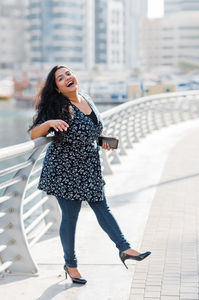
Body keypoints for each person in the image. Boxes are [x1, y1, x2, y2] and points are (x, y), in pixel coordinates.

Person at [29, 65, 151, 284]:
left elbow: (92, 129)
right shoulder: (58, 107)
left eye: (68, 73)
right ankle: (71, 264)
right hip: (64, 170)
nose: (67, 77)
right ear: (56, 88)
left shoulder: (86, 99)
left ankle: (125, 248)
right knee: (71, 217)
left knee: (102, 208)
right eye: (60, 78)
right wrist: (48, 123)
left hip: (88, 166)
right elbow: (33, 134)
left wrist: (102, 139)